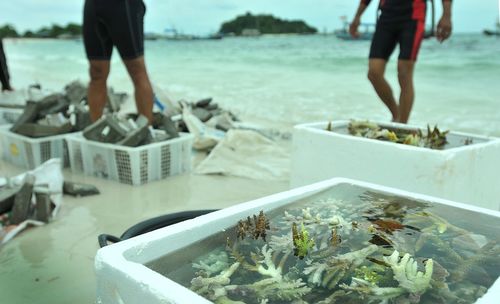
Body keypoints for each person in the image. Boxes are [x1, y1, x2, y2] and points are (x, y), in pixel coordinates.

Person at [350, 0, 452, 123]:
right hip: (386, 16)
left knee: (404, 73)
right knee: (374, 73)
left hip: (413, 16)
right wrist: (357, 17)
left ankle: (402, 126)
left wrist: (446, 15)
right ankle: (396, 115)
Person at [83, 0, 154, 122]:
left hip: (124, 5)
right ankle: (96, 130)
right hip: (93, 6)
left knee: (137, 70)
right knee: (96, 72)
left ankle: (146, 130)